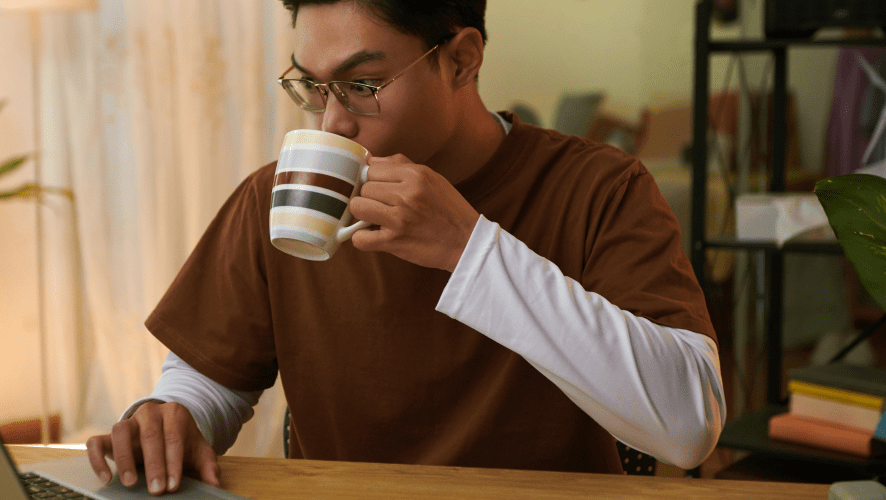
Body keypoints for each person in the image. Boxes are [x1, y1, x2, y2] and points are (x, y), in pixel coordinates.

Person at [87, 0, 725, 495]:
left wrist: (470, 249)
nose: (330, 122)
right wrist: (169, 417)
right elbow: (211, 382)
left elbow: (690, 424)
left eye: (362, 84)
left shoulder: (599, 188)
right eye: (311, 84)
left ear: (462, 59)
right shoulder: (279, 194)